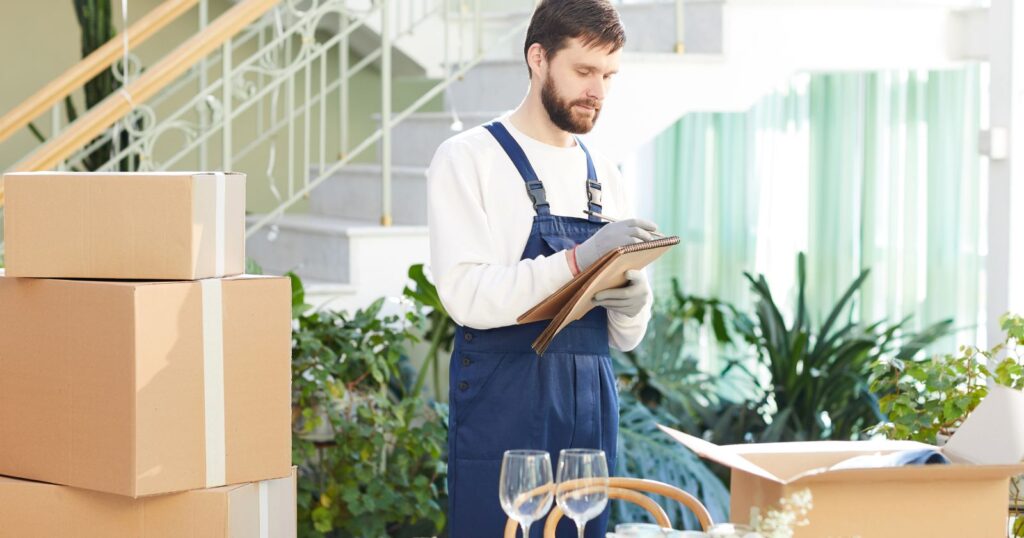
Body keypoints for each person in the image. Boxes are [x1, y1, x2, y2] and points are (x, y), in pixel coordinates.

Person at [426, 1, 657, 535]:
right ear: (537, 58)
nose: (597, 90)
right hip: (503, 404)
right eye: (583, 71)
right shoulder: (470, 158)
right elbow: (467, 296)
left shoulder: (606, 176)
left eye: (608, 75)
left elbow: (623, 340)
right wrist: (582, 259)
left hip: (591, 410)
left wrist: (635, 305)